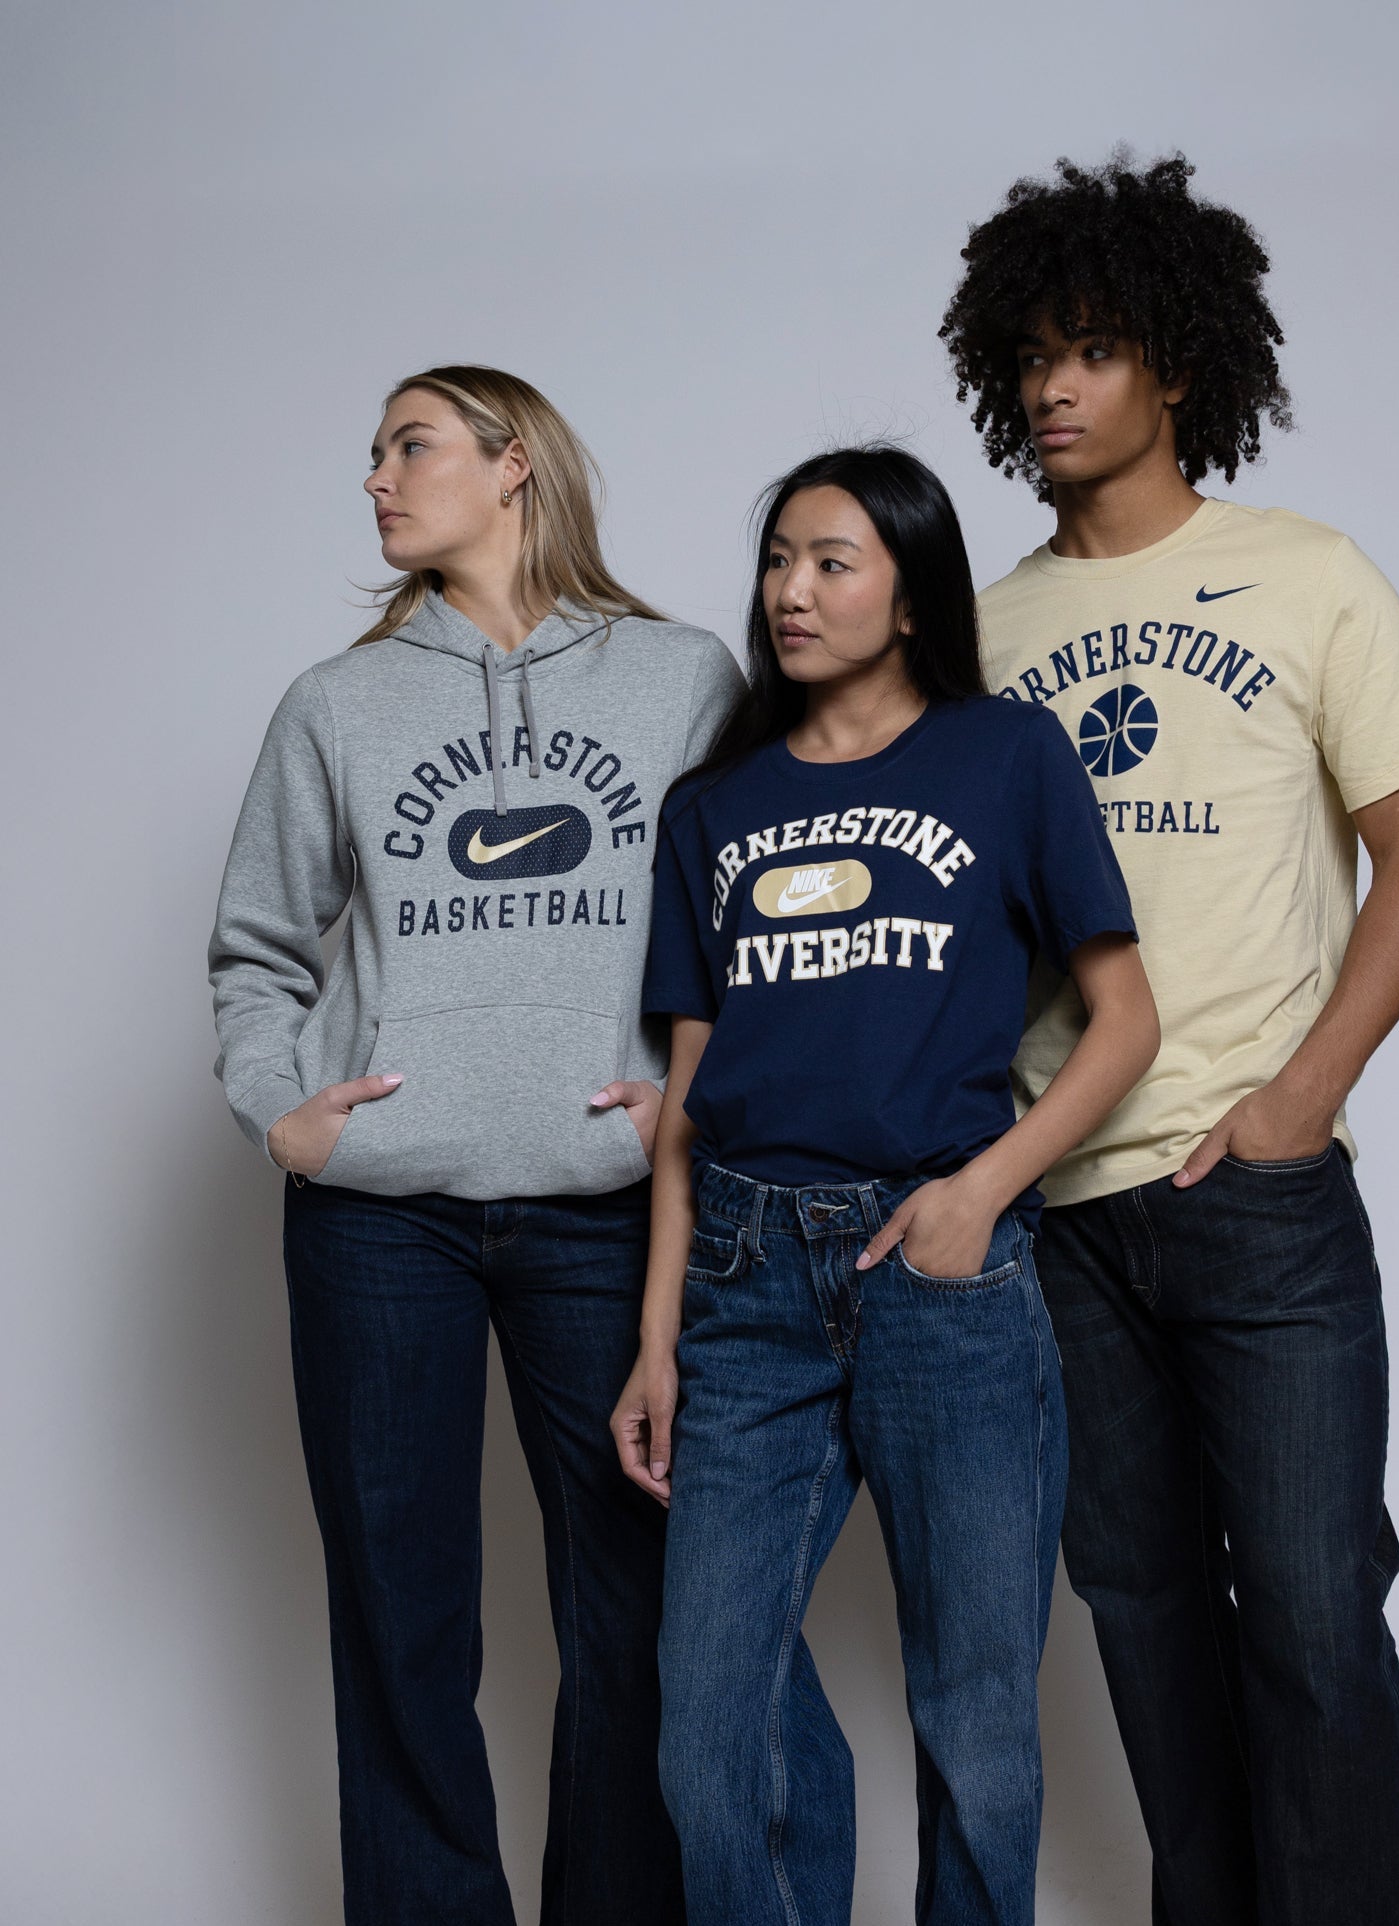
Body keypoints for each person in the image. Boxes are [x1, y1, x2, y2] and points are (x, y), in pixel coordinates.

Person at [942, 153, 1399, 1926]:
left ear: (1177, 366)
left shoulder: (1308, 578)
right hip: (1062, 1208)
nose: (1051, 386)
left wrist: (1295, 1101)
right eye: (1028, 355)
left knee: (1314, 1608)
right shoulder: (982, 633)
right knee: (1144, 1610)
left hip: (1256, 1192)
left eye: (1091, 348)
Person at [208, 363, 742, 1926]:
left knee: (637, 1622)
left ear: (514, 467)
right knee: (400, 1621)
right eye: (373, 453)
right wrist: (280, 1114)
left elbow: (742, 923)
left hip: (602, 1215)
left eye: (410, 445)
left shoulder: (681, 678)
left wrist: (690, 1112)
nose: (376, 477)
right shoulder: (338, 703)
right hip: (385, 1224)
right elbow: (258, 946)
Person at [609, 445, 1160, 1926]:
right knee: (705, 1725)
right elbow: (684, 1098)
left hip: (941, 1271)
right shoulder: (712, 805)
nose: (791, 589)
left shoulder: (1004, 754)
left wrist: (979, 1193)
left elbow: (1126, 1022)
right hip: (741, 1279)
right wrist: (657, 1338)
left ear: (911, 594)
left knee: (976, 1719)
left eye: (831, 560)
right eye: (778, 558)